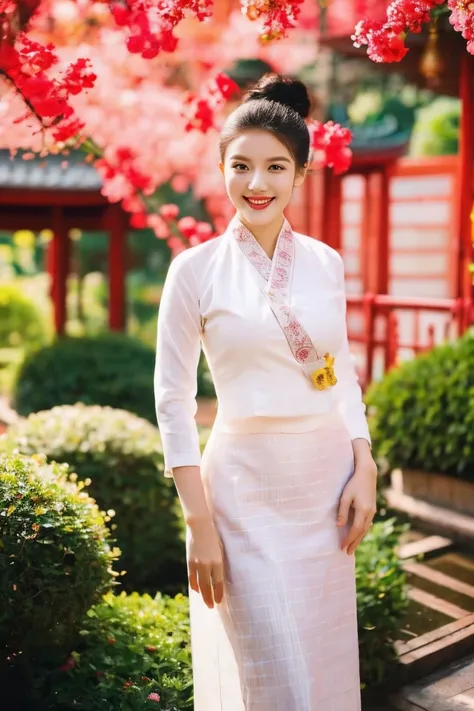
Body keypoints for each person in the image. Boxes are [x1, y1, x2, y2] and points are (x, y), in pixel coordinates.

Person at [154, 73, 378, 711]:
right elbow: (171, 399)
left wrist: (364, 460)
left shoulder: (327, 262)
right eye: (241, 166)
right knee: (270, 674)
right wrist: (199, 523)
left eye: (276, 167)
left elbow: (341, 374)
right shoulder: (192, 271)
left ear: (301, 174)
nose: (258, 184)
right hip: (241, 492)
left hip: (326, 487)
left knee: (322, 665)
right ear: (221, 169)